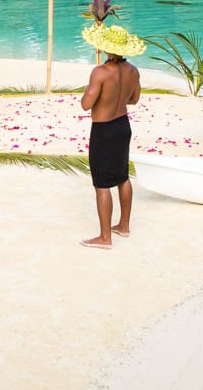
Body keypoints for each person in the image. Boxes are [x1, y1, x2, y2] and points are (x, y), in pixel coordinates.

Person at [78, 24, 145, 250]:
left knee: (101, 183)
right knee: (122, 176)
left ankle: (105, 237)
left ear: (106, 47)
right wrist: (116, 98)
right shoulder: (133, 71)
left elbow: (86, 104)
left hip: (104, 129)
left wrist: (92, 93)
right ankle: (123, 226)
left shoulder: (100, 72)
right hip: (122, 126)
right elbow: (134, 99)